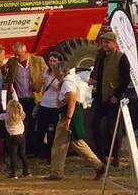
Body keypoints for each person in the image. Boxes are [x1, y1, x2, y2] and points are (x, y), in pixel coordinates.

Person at [45, 61, 104, 180]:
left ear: (60, 71)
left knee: (63, 143)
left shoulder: (67, 83)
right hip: (70, 114)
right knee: (73, 143)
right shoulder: (69, 81)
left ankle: (57, 172)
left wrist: (68, 118)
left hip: (69, 114)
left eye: (56, 71)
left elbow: (71, 99)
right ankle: (98, 166)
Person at [89, 33, 131, 170]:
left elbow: (125, 79)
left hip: (113, 97)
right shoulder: (100, 56)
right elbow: (96, 71)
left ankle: (116, 157)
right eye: (103, 42)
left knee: (114, 128)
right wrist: (92, 78)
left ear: (114, 43)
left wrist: (117, 95)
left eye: (107, 42)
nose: (105, 45)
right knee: (94, 124)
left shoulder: (121, 57)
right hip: (99, 96)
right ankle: (101, 156)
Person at [6, 42, 47, 155]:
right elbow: (5, 74)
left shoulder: (38, 61)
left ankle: (35, 149)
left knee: (34, 124)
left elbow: (46, 74)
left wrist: (38, 85)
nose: (17, 57)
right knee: (21, 125)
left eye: (19, 54)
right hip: (20, 100)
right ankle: (23, 150)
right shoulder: (12, 62)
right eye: (15, 55)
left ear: (25, 51)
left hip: (34, 98)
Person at [0, 95, 30, 179]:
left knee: (13, 155)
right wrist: (14, 92)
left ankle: (14, 173)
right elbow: (17, 102)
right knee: (22, 154)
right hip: (22, 137)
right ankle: (26, 171)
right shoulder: (21, 115)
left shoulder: (7, 116)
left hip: (12, 137)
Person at [32, 53, 64, 158]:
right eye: (50, 60)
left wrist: (55, 84)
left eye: (54, 61)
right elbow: (36, 89)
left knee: (53, 132)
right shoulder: (45, 71)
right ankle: (40, 152)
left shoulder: (61, 74)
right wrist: (40, 82)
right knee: (41, 129)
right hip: (44, 104)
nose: (51, 63)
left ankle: (52, 154)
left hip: (55, 106)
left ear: (59, 62)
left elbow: (63, 88)